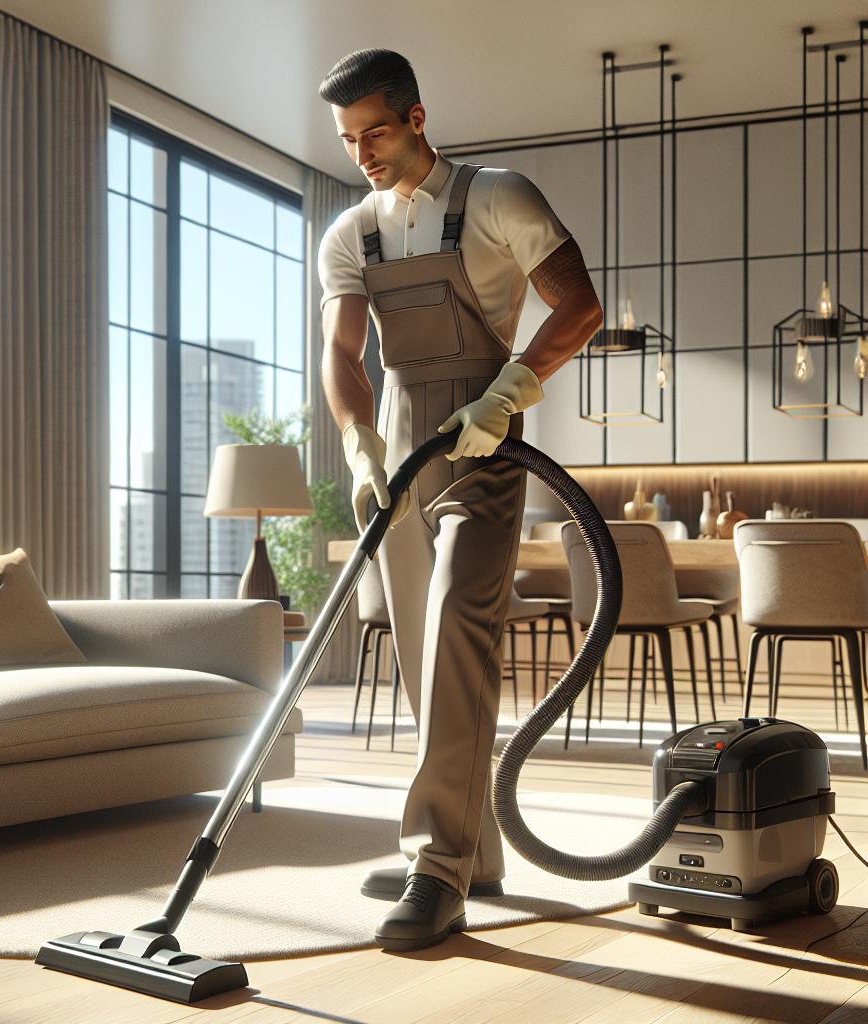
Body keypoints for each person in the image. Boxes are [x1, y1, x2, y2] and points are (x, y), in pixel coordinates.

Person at [317, 48, 602, 952]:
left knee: (455, 637)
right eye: (347, 138)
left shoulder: (496, 196)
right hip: (400, 449)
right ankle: (468, 851)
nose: (362, 151)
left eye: (375, 131)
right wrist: (360, 443)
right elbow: (343, 353)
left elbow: (578, 305)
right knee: (418, 656)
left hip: (482, 437)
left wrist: (510, 389)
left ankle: (437, 869)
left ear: (416, 117)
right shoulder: (350, 231)